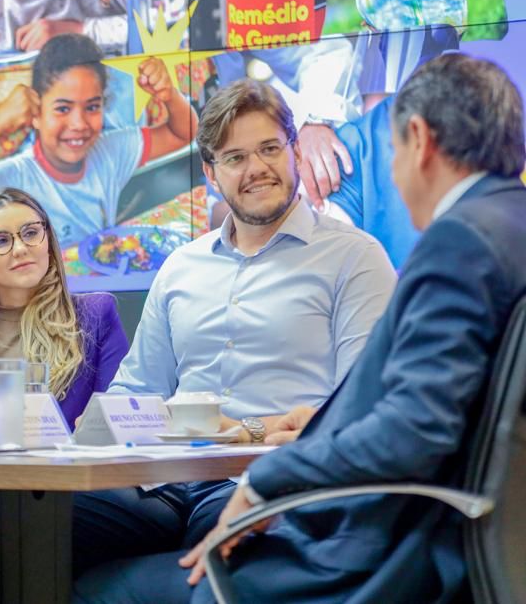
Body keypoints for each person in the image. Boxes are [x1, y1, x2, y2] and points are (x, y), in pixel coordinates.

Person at [75, 53, 526, 603]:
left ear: (420, 140)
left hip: (345, 532)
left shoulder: (455, 242)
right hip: (185, 486)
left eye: (391, 152)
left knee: (95, 588)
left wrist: (270, 473)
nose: (393, 174)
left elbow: (409, 427)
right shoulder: (504, 227)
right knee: (50, 532)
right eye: (235, 157)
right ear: (212, 172)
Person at [72, 78, 397, 578]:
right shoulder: (181, 267)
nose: (257, 168)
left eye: (270, 149)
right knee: (39, 522)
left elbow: (360, 410)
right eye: (235, 157)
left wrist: (251, 431)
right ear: (210, 173)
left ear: (295, 151)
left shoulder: (354, 257)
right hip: (163, 483)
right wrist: (87, 433)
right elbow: (136, 392)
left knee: (222, 547)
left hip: (269, 482)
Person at [0, 33, 198, 246]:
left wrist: (169, 94)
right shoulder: (13, 180)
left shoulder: (110, 151)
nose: (79, 124)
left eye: (92, 107)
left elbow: (183, 132)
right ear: (36, 113)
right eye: (63, 109)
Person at [0, 187, 129, 427]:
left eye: (31, 233)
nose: (20, 249)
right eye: (1, 241)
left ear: (48, 243)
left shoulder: (97, 315)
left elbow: (116, 422)